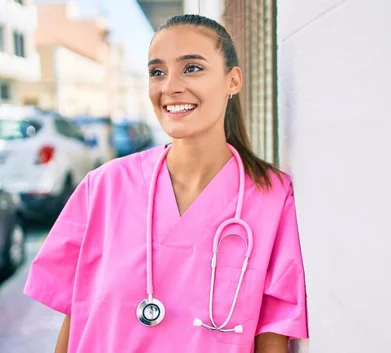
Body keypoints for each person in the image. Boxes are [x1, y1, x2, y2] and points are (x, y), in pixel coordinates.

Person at [23, 14, 308, 353]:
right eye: (157, 72)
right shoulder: (103, 188)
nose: (170, 86)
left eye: (192, 68)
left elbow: (272, 333)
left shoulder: (271, 197)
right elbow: (76, 315)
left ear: (233, 80)